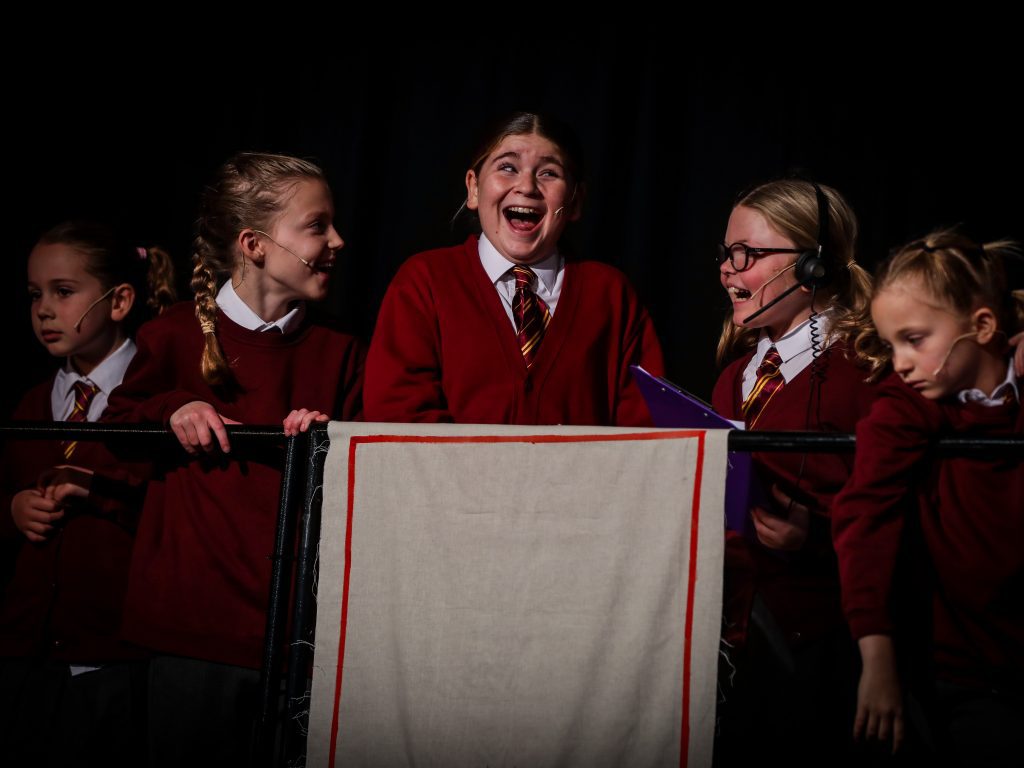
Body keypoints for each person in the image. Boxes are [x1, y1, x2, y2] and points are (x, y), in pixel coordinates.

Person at [104, 152, 365, 765]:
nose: (338, 240)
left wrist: (334, 442)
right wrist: (171, 408)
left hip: (298, 635)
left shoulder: (343, 351)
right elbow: (116, 426)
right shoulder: (170, 336)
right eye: (317, 225)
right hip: (193, 633)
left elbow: (365, 484)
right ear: (254, 243)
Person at [833, 230, 1023, 765]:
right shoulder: (904, 406)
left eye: (914, 339)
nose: (899, 362)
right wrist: (877, 656)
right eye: (891, 343)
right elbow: (862, 517)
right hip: (953, 671)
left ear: (983, 326)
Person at [711, 179, 878, 764]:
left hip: (816, 644)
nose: (730, 272)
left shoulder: (864, 374)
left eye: (748, 255)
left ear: (813, 265)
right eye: (726, 255)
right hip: (733, 637)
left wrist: (817, 535)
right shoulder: (733, 376)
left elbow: (898, 514)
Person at [0, 220, 175, 765]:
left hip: (114, 660)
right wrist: (11, 510)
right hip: (28, 659)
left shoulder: (154, 400)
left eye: (64, 291)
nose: (44, 310)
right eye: (35, 295)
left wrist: (98, 491)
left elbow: (170, 517)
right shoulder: (30, 404)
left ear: (119, 299)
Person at [364, 111, 663, 426]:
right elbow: (399, 414)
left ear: (575, 201)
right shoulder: (425, 281)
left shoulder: (611, 295)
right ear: (474, 188)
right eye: (507, 167)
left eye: (549, 173)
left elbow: (644, 428)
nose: (527, 186)